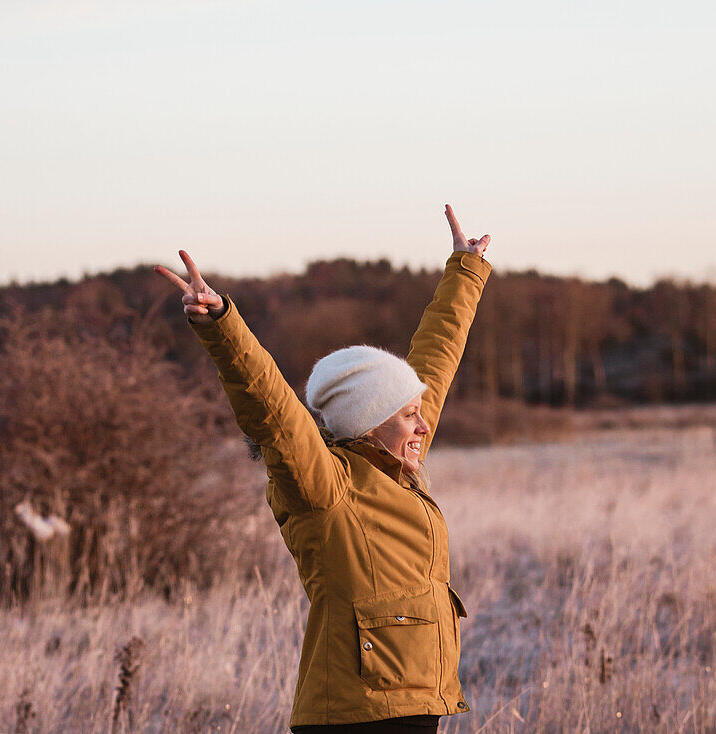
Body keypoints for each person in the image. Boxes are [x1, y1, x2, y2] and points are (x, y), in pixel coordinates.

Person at [155, 205, 492, 733]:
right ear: (370, 422)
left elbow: (436, 360)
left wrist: (465, 271)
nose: (424, 427)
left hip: (414, 705)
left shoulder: (397, 463)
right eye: (409, 416)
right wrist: (222, 325)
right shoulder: (326, 487)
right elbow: (273, 411)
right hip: (358, 716)